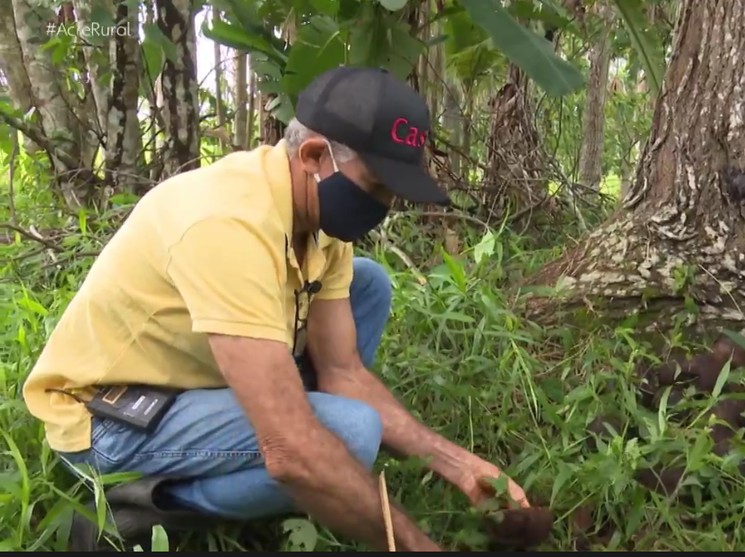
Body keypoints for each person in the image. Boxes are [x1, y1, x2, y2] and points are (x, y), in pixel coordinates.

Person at [21, 66, 530, 551]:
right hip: (109, 418)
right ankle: (145, 505)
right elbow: (290, 450)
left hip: (194, 379)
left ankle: (304, 448)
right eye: (377, 187)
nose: (385, 207)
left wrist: (458, 464)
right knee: (348, 435)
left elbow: (344, 372)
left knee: (367, 286)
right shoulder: (226, 225)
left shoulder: (315, 214)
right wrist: (418, 546)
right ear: (312, 155)